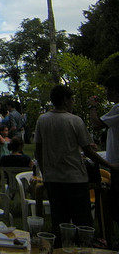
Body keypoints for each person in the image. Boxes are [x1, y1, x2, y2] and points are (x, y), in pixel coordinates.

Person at [34, 85, 117, 241]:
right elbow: (88, 151)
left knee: (59, 221)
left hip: (53, 178)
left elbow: (39, 150)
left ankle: (59, 247)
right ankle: (84, 246)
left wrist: (45, 172)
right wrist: (109, 165)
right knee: (83, 221)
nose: (72, 102)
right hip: (74, 178)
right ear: (65, 100)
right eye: (71, 99)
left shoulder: (42, 119)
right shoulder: (75, 120)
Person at [89, 75, 119, 234]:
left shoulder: (118, 109)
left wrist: (92, 107)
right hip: (114, 162)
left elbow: (96, 123)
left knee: (115, 204)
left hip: (116, 164)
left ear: (114, 90)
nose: (106, 93)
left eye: (107, 89)